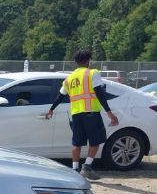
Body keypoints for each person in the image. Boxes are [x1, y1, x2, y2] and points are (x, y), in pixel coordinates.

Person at [46, 49, 118, 180]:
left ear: (76, 62)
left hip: (76, 114)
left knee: (77, 143)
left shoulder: (69, 78)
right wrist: (109, 112)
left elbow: (60, 96)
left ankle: (74, 170)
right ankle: (87, 167)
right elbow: (99, 93)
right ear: (88, 61)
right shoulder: (92, 73)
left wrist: (51, 109)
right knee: (95, 142)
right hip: (91, 113)